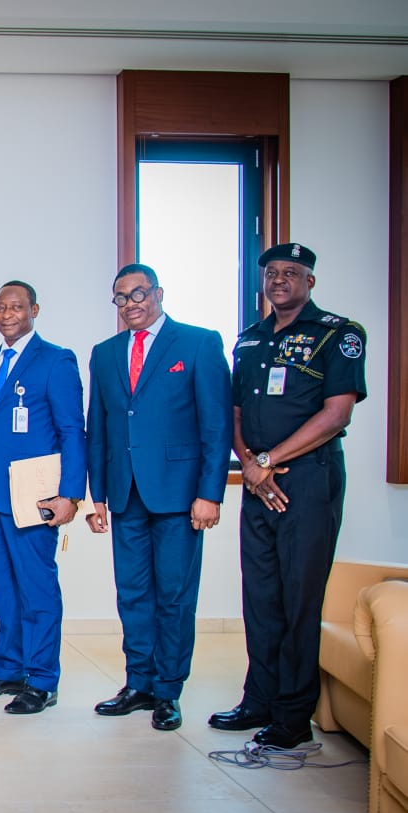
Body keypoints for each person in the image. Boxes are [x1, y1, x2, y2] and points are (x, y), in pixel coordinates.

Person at [209, 242, 367, 749]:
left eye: (290, 273)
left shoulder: (337, 334)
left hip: (307, 480)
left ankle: (294, 715)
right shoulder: (250, 339)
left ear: (309, 281)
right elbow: (235, 414)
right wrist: (252, 467)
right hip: (259, 483)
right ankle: (259, 699)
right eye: (271, 273)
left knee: (299, 597)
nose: (278, 281)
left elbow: (336, 415)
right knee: (259, 596)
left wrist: (268, 461)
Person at [85, 263, 233, 732]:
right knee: (132, 594)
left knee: (174, 596)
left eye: (138, 294)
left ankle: (168, 690)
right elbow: (99, 428)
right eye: (121, 297)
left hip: (179, 496)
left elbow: (216, 426)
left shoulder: (198, 343)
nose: (130, 304)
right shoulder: (105, 353)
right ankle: (139, 683)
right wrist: (97, 494)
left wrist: (209, 493)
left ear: (158, 293)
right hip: (125, 493)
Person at [0, 280, 85, 715]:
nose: (7, 314)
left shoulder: (55, 360)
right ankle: (9, 669)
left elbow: (72, 431)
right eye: (0, 307)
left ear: (34, 310)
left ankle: (42, 679)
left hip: (33, 497)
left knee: (37, 591)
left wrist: (70, 494)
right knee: (3, 591)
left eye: (16, 307)